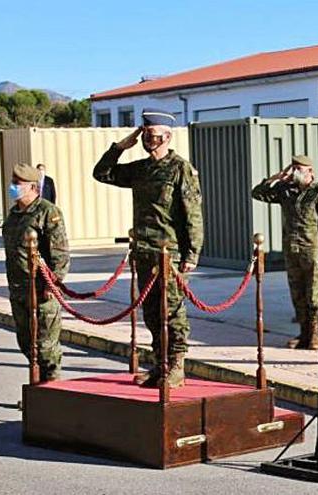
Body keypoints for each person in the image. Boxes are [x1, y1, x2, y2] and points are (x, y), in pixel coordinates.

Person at [93, 108, 203, 388]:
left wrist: (192, 254)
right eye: (145, 136)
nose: (147, 141)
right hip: (144, 252)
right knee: (152, 313)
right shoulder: (141, 169)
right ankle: (160, 364)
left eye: (153, 136)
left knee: (172, 311)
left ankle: (176, 366)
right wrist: (119, 148)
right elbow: (102, 173)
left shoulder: (181, 169)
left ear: (167, 136)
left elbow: (192, 214)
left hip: (170, 254)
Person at [251, 155, 318, 350]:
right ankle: (303, 333)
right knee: (297, 292)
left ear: (310, 171)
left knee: (314, 294)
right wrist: (277, 177)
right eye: (293, 167)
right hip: (292, 249)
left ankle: (315, 334)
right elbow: (257, 193)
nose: (295, 171)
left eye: (299, 168)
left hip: (312, 249)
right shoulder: (285, 190)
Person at [2, 163, 71, 382]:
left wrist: (53, 283)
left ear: (32, 187)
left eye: (18, 183)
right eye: (13, 182)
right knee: (26, 343)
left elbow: (59, 253)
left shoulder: (47, 212)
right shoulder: (14, 215)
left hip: (42, 291)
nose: (13, 187)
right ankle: (38, 392)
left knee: (46, 347)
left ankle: (52, 389)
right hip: (19, 289)